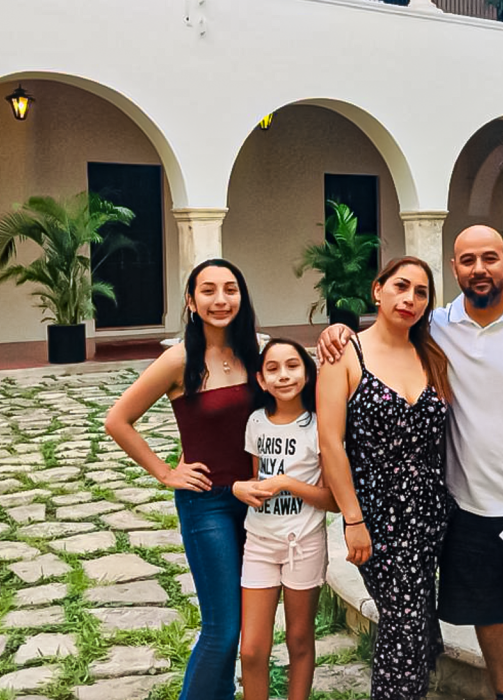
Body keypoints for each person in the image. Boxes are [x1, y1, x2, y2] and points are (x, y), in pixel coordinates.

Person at [318, 227, 503, 700]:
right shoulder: (438, 328)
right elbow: (379, 341)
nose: (479, 269)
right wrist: (340, 329)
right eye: (467, 260)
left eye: (489, 258)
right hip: (466, 512)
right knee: (489, 615)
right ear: (455, 269)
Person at [104, 258, 261, 700]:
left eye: (230, 289)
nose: (221, 299)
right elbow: (118, 420)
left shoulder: (256, 352)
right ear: (191, 301)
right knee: (222, 628)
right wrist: (166, 472)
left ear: (242, 297)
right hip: (206, 503)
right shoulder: (179, 359)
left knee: (247, 624)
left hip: (255, 501)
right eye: (208, 290)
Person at [318, 256, 453, 700]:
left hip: (431, 513)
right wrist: (353, 520)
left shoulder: (431, 354)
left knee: (417, 620)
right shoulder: (345, 354)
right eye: (400, 286)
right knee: (403, 621)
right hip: (378, 516)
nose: (409, 298)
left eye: (421, 292)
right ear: (377, 290)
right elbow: (331, 443)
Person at [231, 339, 338, 700]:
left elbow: (332, 500)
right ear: (261, 380)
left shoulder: (319, 427)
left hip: (303, 543)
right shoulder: (256, 422)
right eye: (273, 369)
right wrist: (246, 490)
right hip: (260, 542)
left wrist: (288, 483)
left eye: (293, 366)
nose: (283, 376)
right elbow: (255, 480)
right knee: (252, 649)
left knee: (299, 639)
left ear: (308, 374)